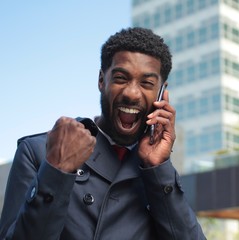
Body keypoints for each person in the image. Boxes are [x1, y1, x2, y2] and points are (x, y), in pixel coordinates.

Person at [0, 27, 206, 240]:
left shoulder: (157, 171)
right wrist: (57, 171)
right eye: (120, 78)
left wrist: (158, 169)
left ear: (162, 93)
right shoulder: (37, 152)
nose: (132, 93)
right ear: (101, 80)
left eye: (147, 83)